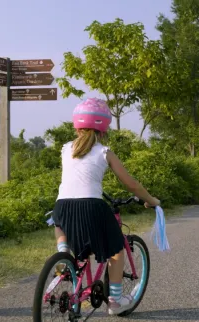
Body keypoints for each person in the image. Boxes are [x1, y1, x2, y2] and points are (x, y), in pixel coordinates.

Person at [52, 98, 160, 315]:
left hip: (62, 205)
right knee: (117, 251)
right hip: (92, 207)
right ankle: (115, 302)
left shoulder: (65, 149)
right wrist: (151, 200)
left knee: (56, 219)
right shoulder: (104, 152)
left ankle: (63, 255)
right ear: (104, 128)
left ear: (76, 125)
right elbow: (130, 183)